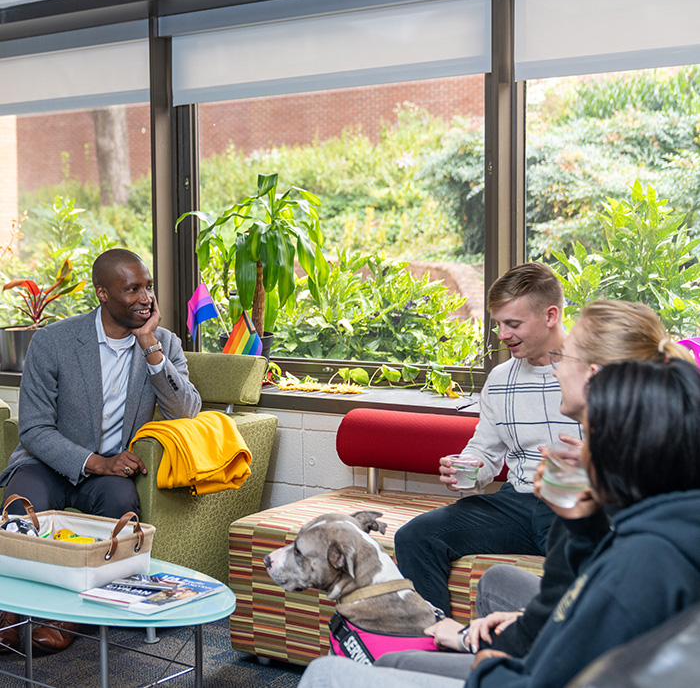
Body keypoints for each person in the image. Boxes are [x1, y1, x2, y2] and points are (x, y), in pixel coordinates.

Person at [297, 358, 700, 688]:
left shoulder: (641, 559)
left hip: (528, 674)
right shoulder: (667, 518)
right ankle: (434, 639)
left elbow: (555, 659)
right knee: (452, 558)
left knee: (325, 673)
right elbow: (574, 606)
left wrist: (492, 659)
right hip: (516, 507)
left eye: (592, 433)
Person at [0, 248, 201, 653]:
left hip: (110, 477)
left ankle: (68, 621)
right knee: (20, 508)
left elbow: (187, 410)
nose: (146, 298)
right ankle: (10, 615)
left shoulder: (163, 342)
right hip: (47, 463)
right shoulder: (53, 341)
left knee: (121, 510)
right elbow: (36, 428)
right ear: (103, 294)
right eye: (132, 289)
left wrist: (150, 347)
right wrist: (95, 461)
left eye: (148, 287)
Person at [395, 262, 582, 616]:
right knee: (416, 537)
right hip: (517, 502)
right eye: (498, 323)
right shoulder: (499, 379)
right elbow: (485, 451)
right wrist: (464, 469)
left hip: (575, 502)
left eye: (513, 324)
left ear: (551, 315)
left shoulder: (595, 369)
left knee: (583, 558)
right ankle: (439, 650)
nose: (501, 334)